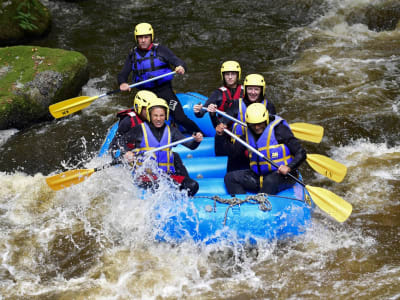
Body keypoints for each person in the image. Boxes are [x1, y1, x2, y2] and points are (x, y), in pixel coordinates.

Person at [117, 22, 202, 134]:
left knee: (180, 118)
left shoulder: (161, 50)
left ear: (151, 37)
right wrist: (122, 83)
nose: (143, 40)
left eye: (146, 37)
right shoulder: (132, 55)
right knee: (148, 122)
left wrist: (180, 67)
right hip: (145, 95)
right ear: (136, 38)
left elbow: (178, 61)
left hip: (164, 90)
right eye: (140, 37)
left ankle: (199, 134)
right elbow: (123, 74)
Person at [215, 103, 306, 195]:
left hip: (283, 176)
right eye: (253, 125)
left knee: (270, 181)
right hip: (259, 177)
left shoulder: (280, 130)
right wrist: (220, 136)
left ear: (266, 119)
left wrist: (289, 167)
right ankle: (241, 204)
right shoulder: (248, 133)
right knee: (230, 178)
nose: (257, 127)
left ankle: (262, 204)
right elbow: (231, 152)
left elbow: (301, 153)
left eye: (260, 124)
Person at [121, 97, 203, 196]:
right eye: (155, 115)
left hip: (165, 176)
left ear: (166, 116)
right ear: (150, 115)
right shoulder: (139, 129)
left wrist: (197, 141)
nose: (158, 119)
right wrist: (127, 152)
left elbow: (191, 146)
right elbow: (122, 141)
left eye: (161, 115)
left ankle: (180, 204)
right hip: (146, 177)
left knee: (193, 185)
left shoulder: (172, 131)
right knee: (158, 186)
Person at [193, 60, 243, 127]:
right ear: (223, 76)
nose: (230, 77)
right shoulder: (218, 93)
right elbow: (201, 113)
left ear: (238, 75)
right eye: (227, 74)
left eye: (233, 74)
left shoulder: (246, 91)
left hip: (243, 128)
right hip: (224, 129)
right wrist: (197, 111)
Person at [109, 90, 157, 156]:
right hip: (127, 152)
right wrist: (127, 152)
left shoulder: (153, 118)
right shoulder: (128, 121)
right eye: (147, 109)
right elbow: (118, 140)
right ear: (140, 107)